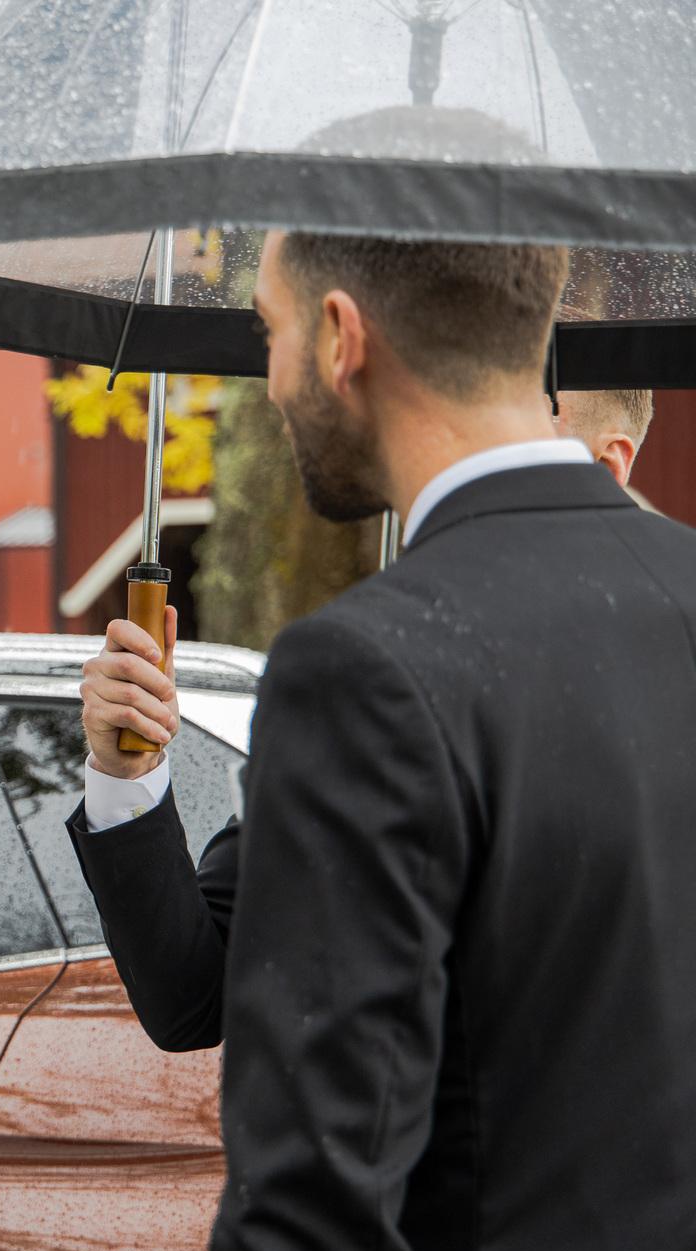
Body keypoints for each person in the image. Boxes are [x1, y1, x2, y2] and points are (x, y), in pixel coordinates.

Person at [81, 234, 696, 1251]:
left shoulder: (365, 668)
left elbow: (313, 1218)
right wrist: (125, 776)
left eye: (271, 330)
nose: (270, 382)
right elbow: (198, 987)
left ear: (339, 337)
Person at [67, 381, 655, 1054]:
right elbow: (192, 995)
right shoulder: (363, 692)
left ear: (606, 468)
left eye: (509, 435)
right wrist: (127, 774)